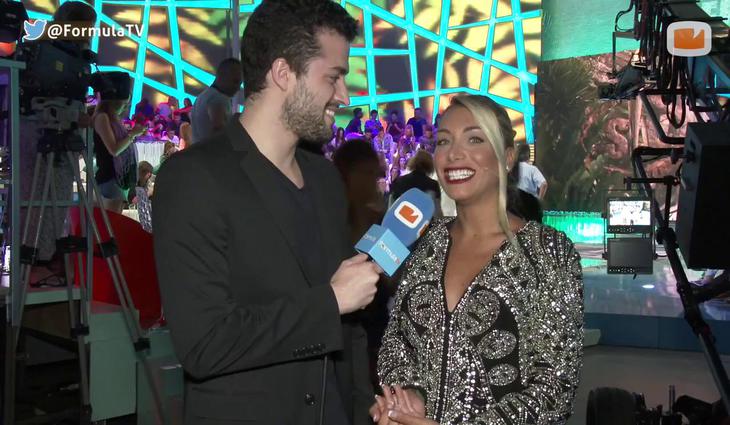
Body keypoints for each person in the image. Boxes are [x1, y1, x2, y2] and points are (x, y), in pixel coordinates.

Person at [152, 1, 379, 424]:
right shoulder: (193, 178)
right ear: (283, 73)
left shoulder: (325, 178)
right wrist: (329, 302)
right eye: (333, 77)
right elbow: (204, 344)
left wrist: (365, 410)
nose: (344, 96)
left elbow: (350, 331)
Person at [373, 95, 583, 425]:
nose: (454, 154)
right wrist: (407, 397)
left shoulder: (549, 252)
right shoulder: (425, 242)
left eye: (474, 139)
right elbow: (396, 343)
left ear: (507, 157)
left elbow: (553, 389)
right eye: (444, 141)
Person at [17, 1, 97, 280]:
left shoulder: (68, 54)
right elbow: (33, 100)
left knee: (56, 199)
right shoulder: (41, 52)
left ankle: (45, 259)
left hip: (60, 135)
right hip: (40, 136)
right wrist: (75, 115)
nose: (90, 33)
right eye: (87, 27)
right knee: (38, 198)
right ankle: (35, 263)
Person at [93, 74, 146, 213]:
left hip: (117, 179)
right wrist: (132, 134)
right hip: (109, 178)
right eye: (124, 104)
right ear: (115, 102)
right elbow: (114, 149)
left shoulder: (112, 119)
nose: (125, 108)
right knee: (110, 222)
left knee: (112, 221)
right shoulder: (102, 118)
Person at [190, 57, 242, 144]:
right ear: (223, 76)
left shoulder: (201, 97)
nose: (238, 88)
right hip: (214, 151)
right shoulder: (219, 99)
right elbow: (219, 130)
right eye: (235, 81)